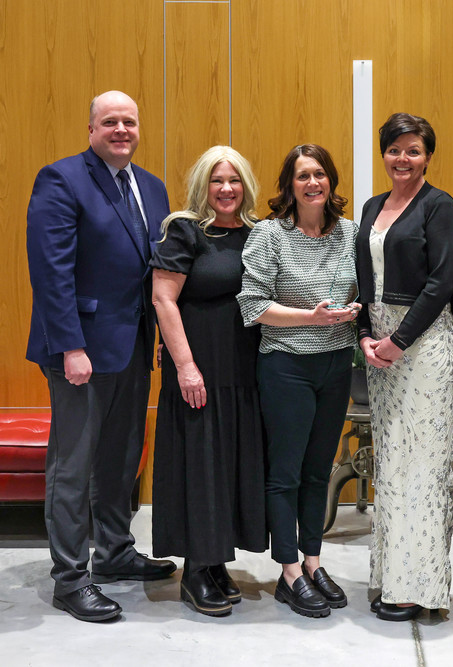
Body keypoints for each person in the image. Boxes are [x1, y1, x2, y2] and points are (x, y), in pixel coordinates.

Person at [26, 90, 176, 622]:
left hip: (134, 349)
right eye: (109, 121)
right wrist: (70, 346)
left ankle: (113, 552)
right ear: (91, 128)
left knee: (119, 460)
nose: (121, 130)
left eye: (129, 122)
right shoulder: (62, 180)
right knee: (73, 466)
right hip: (81, 352)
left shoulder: (152, 187)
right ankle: (70, 577)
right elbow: (50, 273)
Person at [237, 144, 360, 619]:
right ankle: (288, 571)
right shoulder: (269, 235)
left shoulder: (350, 233)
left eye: (321, 175)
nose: (313, 183)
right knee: (285, 472)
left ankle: (313, 561)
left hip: (336, 365)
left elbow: (367, 288)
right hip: (286, 365)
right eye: (303, 175)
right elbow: (253, 306)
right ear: (290, 184)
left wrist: (355, 314)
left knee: (318, 470)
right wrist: (311, 318)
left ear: (332, 182)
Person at [150, 146, 266, 617]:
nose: (226, 189)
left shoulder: (259, 234)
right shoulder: (185, 231)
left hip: (245, 368)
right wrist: (185, 366)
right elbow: (163, 299)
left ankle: (217, 559)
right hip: (200, 369)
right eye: (217, 180)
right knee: (200, 461)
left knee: (231, 463)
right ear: (203, 186)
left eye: (234, 180)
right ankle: (195, 570)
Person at [356, 113, 453, 622]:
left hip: (424, 348)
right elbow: (362, 279)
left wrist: (398, 340)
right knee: (393, 467)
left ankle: (420, 588)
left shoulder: (438, 206)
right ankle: (391, 576)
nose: (403, 158)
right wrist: (364, 336)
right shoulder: (372, 206)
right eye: (395, 149)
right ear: (384, 154)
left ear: (427, 156)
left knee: (424, 468)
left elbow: (442, 282)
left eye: (413, 149)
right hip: (380, 348)